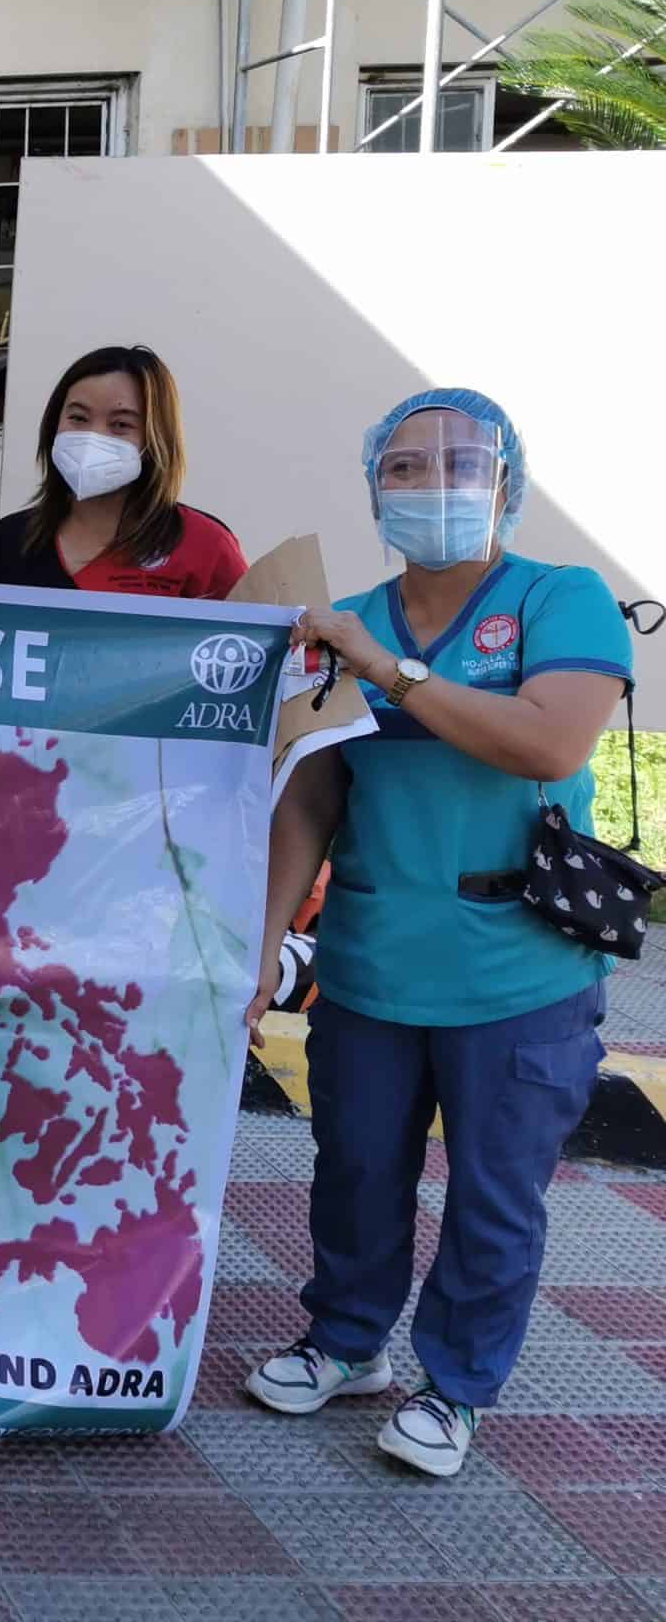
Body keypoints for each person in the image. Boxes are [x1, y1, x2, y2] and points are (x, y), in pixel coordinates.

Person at [243, 390, 630, 1480]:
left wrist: (393, 672)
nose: (434, 484)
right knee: (355, 1169)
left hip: (518, 968)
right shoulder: (348, 618)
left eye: (463, 463)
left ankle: (455, 1385)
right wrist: (263, 942)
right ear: (375, 488)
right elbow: (309, 797)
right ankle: (346, 1340)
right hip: (373, 958)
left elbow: (550, 743)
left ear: (507, 483)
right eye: (405, 467)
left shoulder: (560, 598)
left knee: (493, 1195)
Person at [0, 344, 244, 598]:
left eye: (121, 425)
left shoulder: (205, 546)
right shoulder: (7, 541)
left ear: (155, 440)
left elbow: (249, 627)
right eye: (78, 418)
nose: (93, 437)